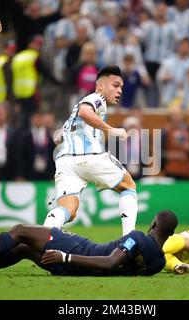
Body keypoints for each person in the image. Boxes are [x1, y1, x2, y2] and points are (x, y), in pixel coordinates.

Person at [0, 210, 178, 277]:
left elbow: (112, 262)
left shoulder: (139, 237)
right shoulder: (158, 263)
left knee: (20, 231)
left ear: (153, 226)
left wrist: (64, 257)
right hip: (78, 271)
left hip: (77, 253)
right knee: (24, 249)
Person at [46, 66, 137, 236]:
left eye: (121, 87)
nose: (120, 90)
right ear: (100, 86)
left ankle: (44, 241)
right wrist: (111, 130)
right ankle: (129, 240)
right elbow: (85, 111)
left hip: (65, 162)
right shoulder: (97, 98)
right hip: (89, 157)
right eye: (116, 85)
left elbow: (58, 137)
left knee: (68, 210)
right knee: (129, 186)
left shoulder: (75, 108)